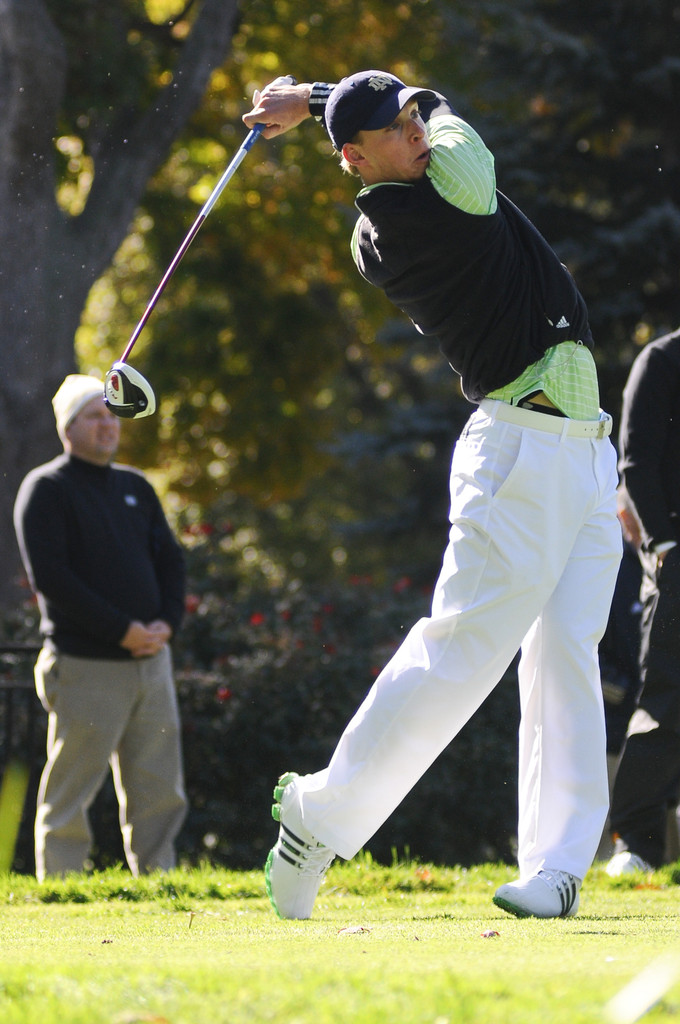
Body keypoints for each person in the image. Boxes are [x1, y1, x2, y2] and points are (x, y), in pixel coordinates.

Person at [243, 70, 621, 920]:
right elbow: (462, 137)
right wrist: (360, 101)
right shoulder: (417, 209)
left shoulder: (409, 186)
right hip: (521, 454)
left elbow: (422, 117)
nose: (414, 127)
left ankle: (556, 868)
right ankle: (319, 813)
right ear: (354, 157)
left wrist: (312, 100)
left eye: (412, 115)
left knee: (567, 656)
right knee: (459, 655)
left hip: (585, 453)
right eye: (393, 125)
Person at [14, 374, 188, 880]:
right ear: (68, 428)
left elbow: (170, 561)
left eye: (111, 415)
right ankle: (62, 887)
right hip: (86, 664)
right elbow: (53, 578)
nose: (106, 424)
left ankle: (160, 882)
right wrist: (121, 630)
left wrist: (165, 626)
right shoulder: (46, 489)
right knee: (72, 787)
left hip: (152, 661)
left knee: (159, 786)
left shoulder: (136, 487)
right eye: (94, 415)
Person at [605, 327, 680, 876]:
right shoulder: (661, 360)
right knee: (666, 699)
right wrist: (666, 548)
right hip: (673, 555)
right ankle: (637, 845)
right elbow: (634, 464)